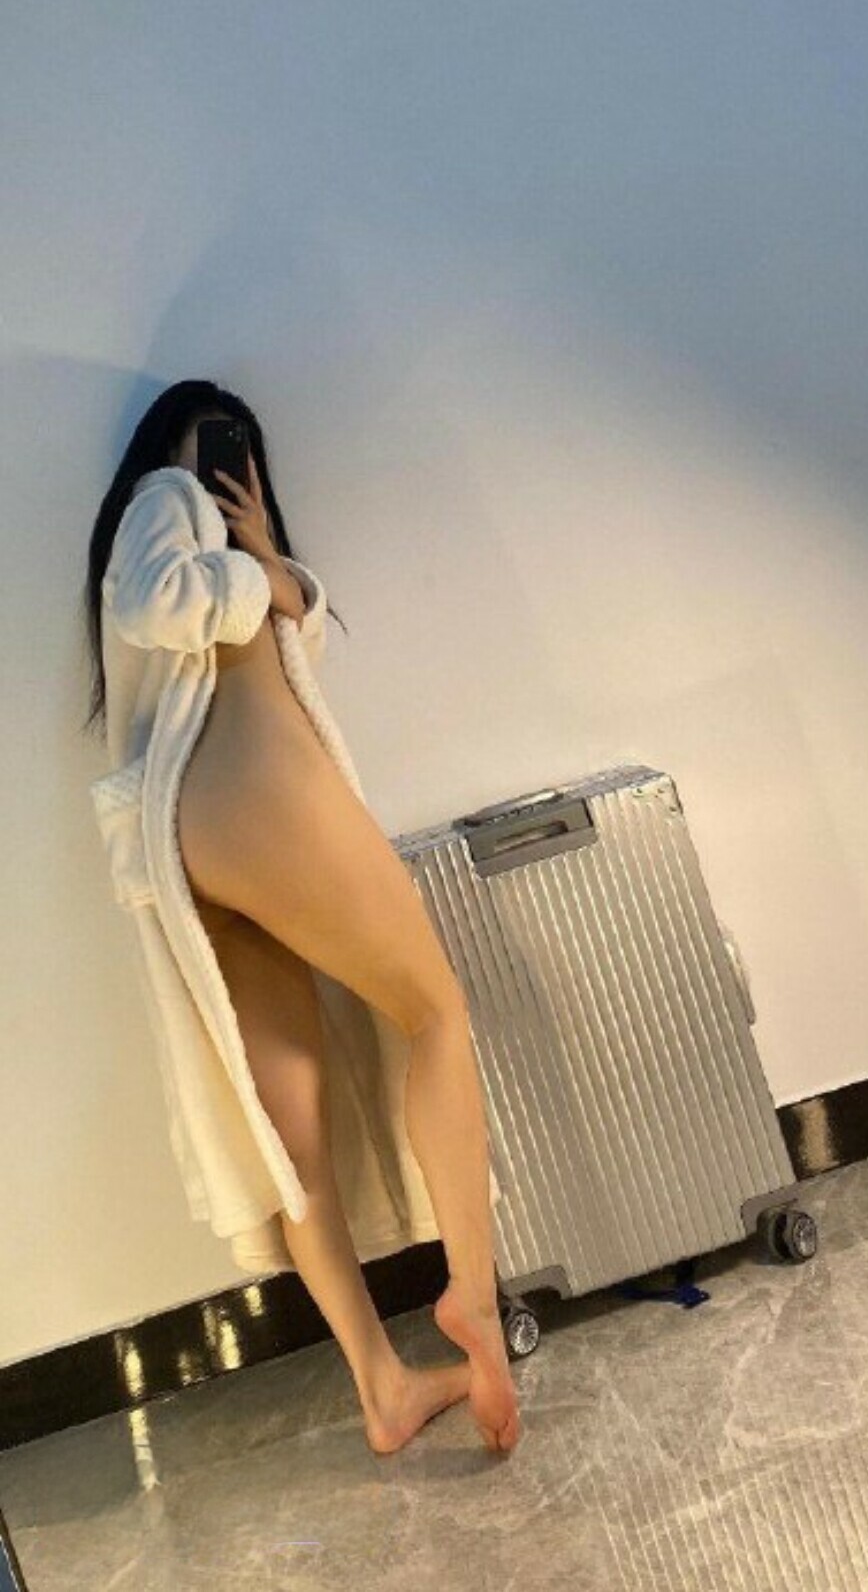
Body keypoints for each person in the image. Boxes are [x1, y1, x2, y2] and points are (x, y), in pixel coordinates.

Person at [83, 380, 520, 1456]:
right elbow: (153, 602)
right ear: (171, 445)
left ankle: (383, 1387)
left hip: (214, 844)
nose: (226, 466)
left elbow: (275, 644)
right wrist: (266, 575)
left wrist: (277, 570)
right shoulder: (166, 497)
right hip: (256, 798)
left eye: (240, 451)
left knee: (296, 1137)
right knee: (436, 1012)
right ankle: (472, 1292)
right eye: (211, 442)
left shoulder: (223, 539)